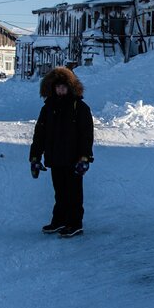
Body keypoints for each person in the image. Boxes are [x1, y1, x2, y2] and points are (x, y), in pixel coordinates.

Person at [29, 67, 94, 237]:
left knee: (73, 192)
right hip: (55, 157)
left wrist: (85, 157)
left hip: (74, 158)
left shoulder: (79, 107)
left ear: (71, 87)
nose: (60, 90)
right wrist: (35, 157)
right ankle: (59, 220)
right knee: (60, 192)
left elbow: (86, 134)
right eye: (57, 87)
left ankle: (75, 223)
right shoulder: (48, 108)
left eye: (64, 87)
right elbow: (40, 134)